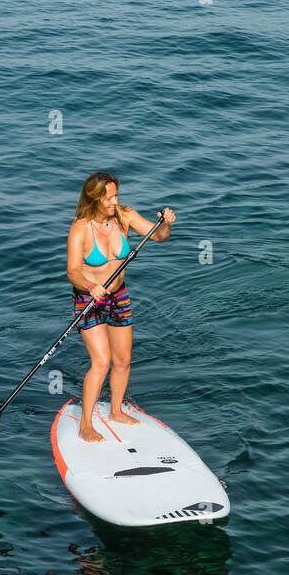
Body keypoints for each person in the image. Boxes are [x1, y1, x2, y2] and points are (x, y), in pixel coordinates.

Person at [65, 171, 174, 442]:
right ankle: (86, 425)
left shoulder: (124, 216)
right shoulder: (81, 228)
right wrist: (90, 287)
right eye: (109, 197)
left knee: (123, 360)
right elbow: (72, 272)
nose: (115, 201)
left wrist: (166, 223)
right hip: (89, 299)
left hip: (118, 295)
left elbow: (159, 236)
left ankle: (116, 411)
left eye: (116, 195)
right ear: (95, 199)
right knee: (101, 362)